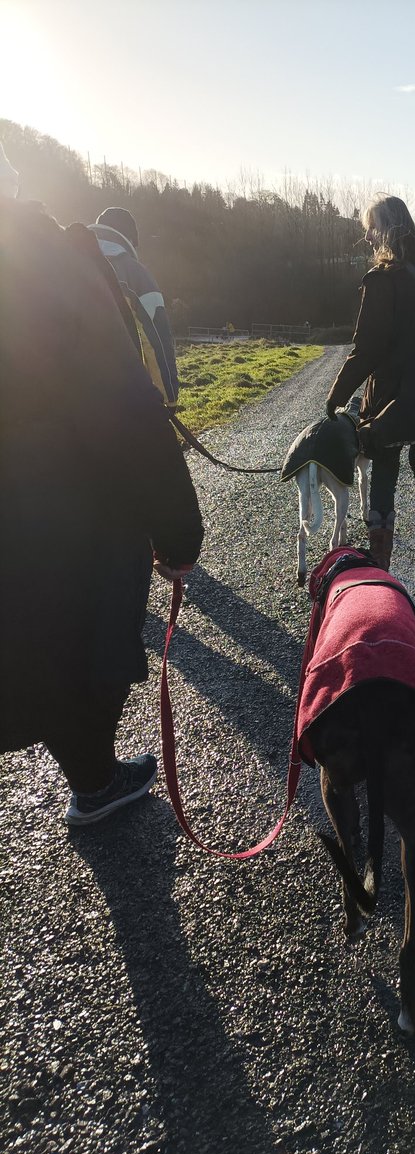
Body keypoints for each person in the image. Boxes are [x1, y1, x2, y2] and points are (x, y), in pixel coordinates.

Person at [0, 156, 204, 826]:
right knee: (95, 635)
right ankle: (93, 778)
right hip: (68, 502)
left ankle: (93, 778)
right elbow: (123, 405)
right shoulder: (50, 261)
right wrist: (176, 531)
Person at [325, 195, 415, 571]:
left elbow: (366, 350)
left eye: (371, 228)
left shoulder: (383, 280)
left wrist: (335, 397)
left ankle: (380, 561)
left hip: (393, 394)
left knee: (384, 460)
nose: (367, 237)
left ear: (386, 229)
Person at [89, 206, 180, 408]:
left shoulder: (62, 262)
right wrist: (169, 397)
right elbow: (156, 339)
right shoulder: (134, 273)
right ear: (129, 239)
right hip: (115, 392)